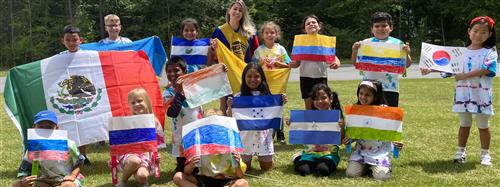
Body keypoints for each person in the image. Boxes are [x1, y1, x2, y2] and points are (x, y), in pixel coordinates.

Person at [422, 16, 497, 166]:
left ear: (489, 35)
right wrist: (430, 69)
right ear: (469, 31)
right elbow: (448, 67)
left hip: (481, 95)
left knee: (483, 125)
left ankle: (485, 154)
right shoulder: (460, 52)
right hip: (463, 94)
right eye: (475, 31)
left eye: (483, 32)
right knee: (464, 123)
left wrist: (464, 75)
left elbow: (488, 69)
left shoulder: (490, 52)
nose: (478, 34)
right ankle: (460, 152)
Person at [226, 63, 287, 171]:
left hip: (263, 137)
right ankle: (245, 157)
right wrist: (230, 107)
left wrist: (282, 102)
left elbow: (275, 113)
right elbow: (230, 118)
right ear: (244, 78)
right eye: (249, 76)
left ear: (262, 78)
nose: (253, 79)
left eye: (256, 76)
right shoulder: (238, 96)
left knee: (266, 168)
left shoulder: (268, 96)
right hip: (245, 137)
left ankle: (268, 158)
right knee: (245, 168)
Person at [351, 12, 412, 107]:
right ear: (372, 29)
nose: (380, 28)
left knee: (388, 117)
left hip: (390, 88)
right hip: (369, 88)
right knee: (369, 117)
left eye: (384, 25)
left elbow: (407, 65)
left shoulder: (398, 44)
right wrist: (354, 51)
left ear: (391, 28)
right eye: (377, 26)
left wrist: (407, 53)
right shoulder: (365, 43)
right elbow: (356, 63)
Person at [345, 80, 403, 180]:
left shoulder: (385, 111)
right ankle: (366, 167)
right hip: (361, 152)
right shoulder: (355, 111)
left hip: (380, 153)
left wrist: (398, 143)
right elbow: (354, 135)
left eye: (367, 95)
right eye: (361, 93)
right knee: (351, 174)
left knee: (382, 177)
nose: (363, 97)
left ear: (375, 97)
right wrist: (349, 140)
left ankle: (380, 167)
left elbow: (393, 132)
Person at [211, 0, 260, 116]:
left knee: (244, 106)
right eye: (235, 9)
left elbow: (257, 54)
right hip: (225, 74)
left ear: (243, 14)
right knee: (226, 107)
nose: (237, 12)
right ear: (229, 11)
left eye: (240, 10)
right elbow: (213, 55)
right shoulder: (219, 31)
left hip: (244, 74)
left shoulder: (249, 33)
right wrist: (212, 48)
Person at [12, 110, 85, 187]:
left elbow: (79, 162)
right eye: (41, 126)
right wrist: (25, 180)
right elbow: (25, 168)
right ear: (34, 127)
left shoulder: (68, 144)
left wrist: (72, 176)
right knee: (17, 184)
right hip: (45, 180)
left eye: (49, 127)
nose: (45, 130)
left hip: (65, 179)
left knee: (68, 185)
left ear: (56, 128)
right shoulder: (34, 147)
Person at [112, 88, 164, 187]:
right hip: (129, 155)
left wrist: (157, 156)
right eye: (133, 103)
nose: (136, 104)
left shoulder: (154, 122)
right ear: (129, 105)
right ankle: (123, 181)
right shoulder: (127, 122)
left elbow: (158, 143)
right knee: (135, 161)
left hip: (145, 156)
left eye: (139, 101)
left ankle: (139, 175)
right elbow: (120, 143)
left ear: (147, 102)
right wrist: (114, 157)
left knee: (142, 176)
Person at [289, 15, 341, 110]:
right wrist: (293, 64)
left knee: (324, 105)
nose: (311, 24)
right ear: (304, 29)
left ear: (319, 26)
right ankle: (310, 123)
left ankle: (325, 123)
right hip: (305, 78)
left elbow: (334, 57)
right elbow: (297, 63)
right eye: (308, 23)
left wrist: (337, 63)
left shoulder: (324, 41)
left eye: (314, 22)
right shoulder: (300, 42)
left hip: (321, 78)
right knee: (309, 107)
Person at [292, 83, 344, 177]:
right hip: (310, 153)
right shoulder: (308, 117)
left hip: (329, 154)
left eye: (323, 98)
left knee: (322, 170)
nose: (320, 101)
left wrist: (342, 128)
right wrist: (295, 125)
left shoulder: (337, 118)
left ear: (330, 98)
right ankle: (298, 157)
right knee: (303, 171)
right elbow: (303, 138)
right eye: (316, 99)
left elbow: (340, 141)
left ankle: (316, 162)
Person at [252, 21, 290, 143]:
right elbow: (253, 66)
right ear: (262, 35)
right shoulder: (259, 51)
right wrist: (261, 63)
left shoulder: (281, 49)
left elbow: (288, 65)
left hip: (278, 83)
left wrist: (278, 63)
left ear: (276, 34)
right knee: (266, 106)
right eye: (266, 33)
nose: (269, 35)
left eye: (272, 32)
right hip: (264, 83)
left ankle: (280, 132)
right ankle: (267, 130)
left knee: (278, 106)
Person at [164, 57, 203, 175]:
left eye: (176, 70)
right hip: (180, 132)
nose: (172, 74)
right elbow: (172, 113)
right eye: (169, 71)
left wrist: (222, 70)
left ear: (184, 71)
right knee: (182, 168)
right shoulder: (168, 93)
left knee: (197, 165)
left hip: (196, 130)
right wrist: (179, 93)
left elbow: (210, 79)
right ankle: (181, 166)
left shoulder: (194, 88)